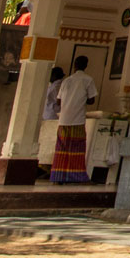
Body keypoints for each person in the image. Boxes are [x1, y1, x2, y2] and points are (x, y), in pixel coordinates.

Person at [50, 55, 97, 185]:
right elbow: (92, 100)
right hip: (77, 120)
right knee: (76, 150)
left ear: (75, 65)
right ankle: (77, 177)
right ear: (86, 65)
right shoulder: (88, 80)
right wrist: (81, 100)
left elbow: (59, 101)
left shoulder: (66, 81)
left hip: (63, 120)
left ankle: (58, 176)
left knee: (62, 149)